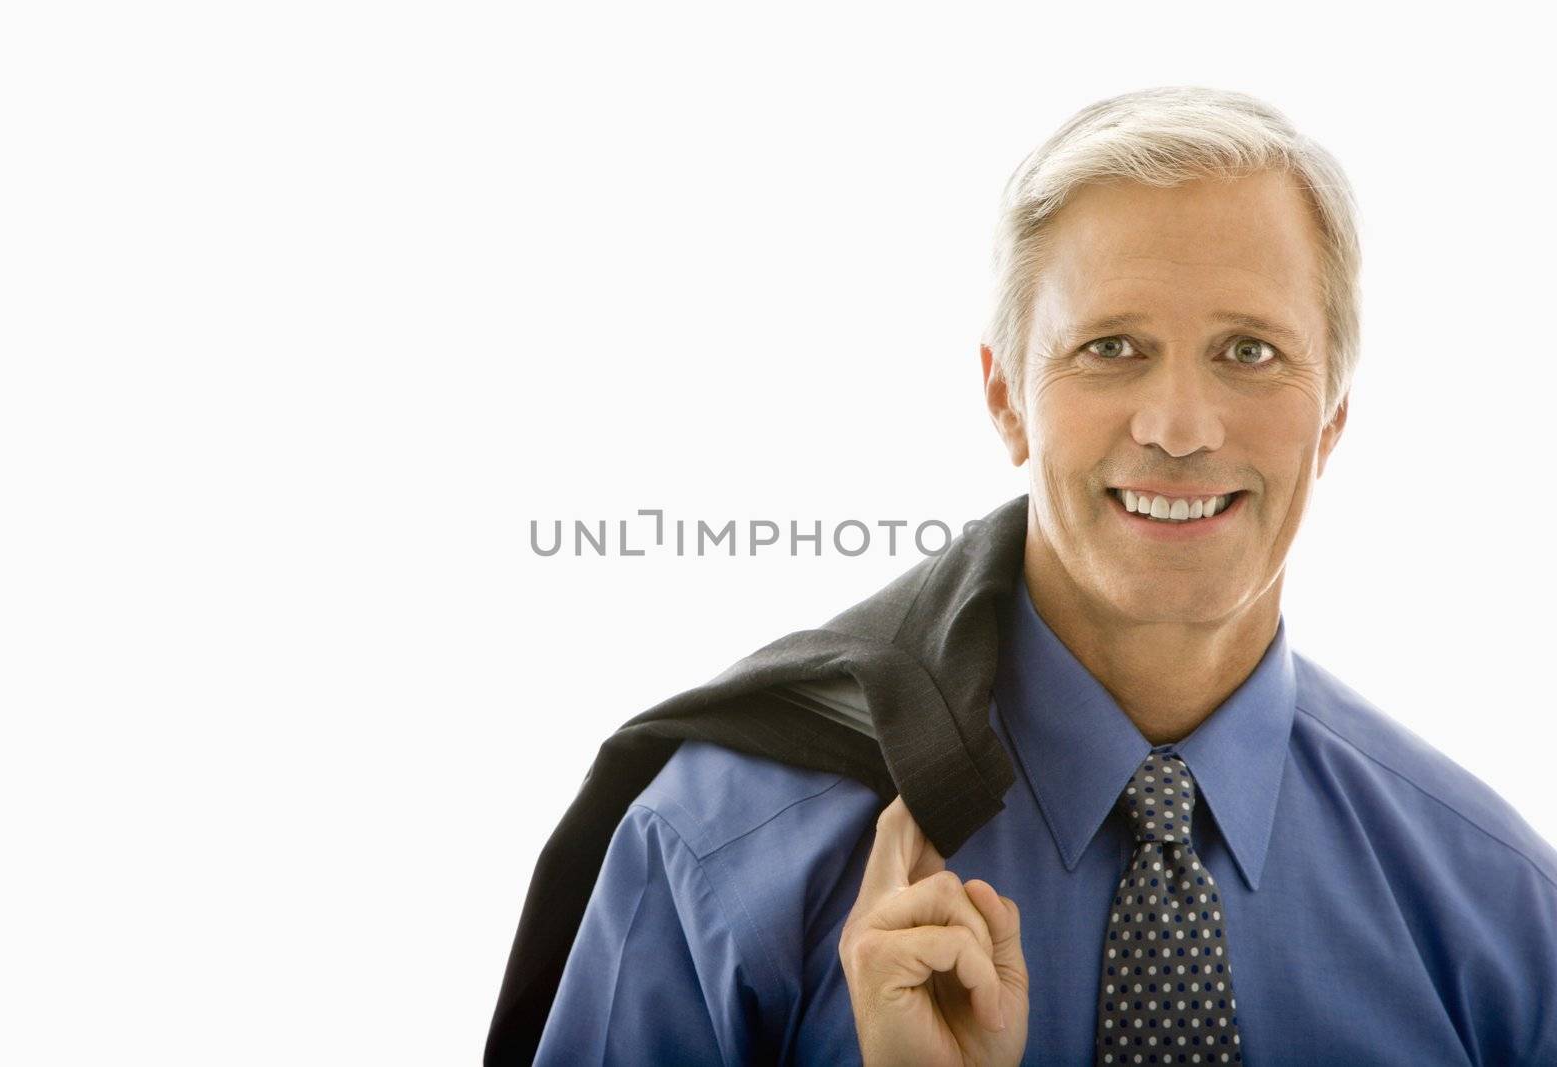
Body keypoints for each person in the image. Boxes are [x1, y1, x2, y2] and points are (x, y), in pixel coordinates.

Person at [511, 86, 1557, 1065]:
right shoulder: (713, 852)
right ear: (1005, 396)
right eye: (1110, 347)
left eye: (1248, 352)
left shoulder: (1503, 910)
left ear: (1331, 414)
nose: (1179, 427)